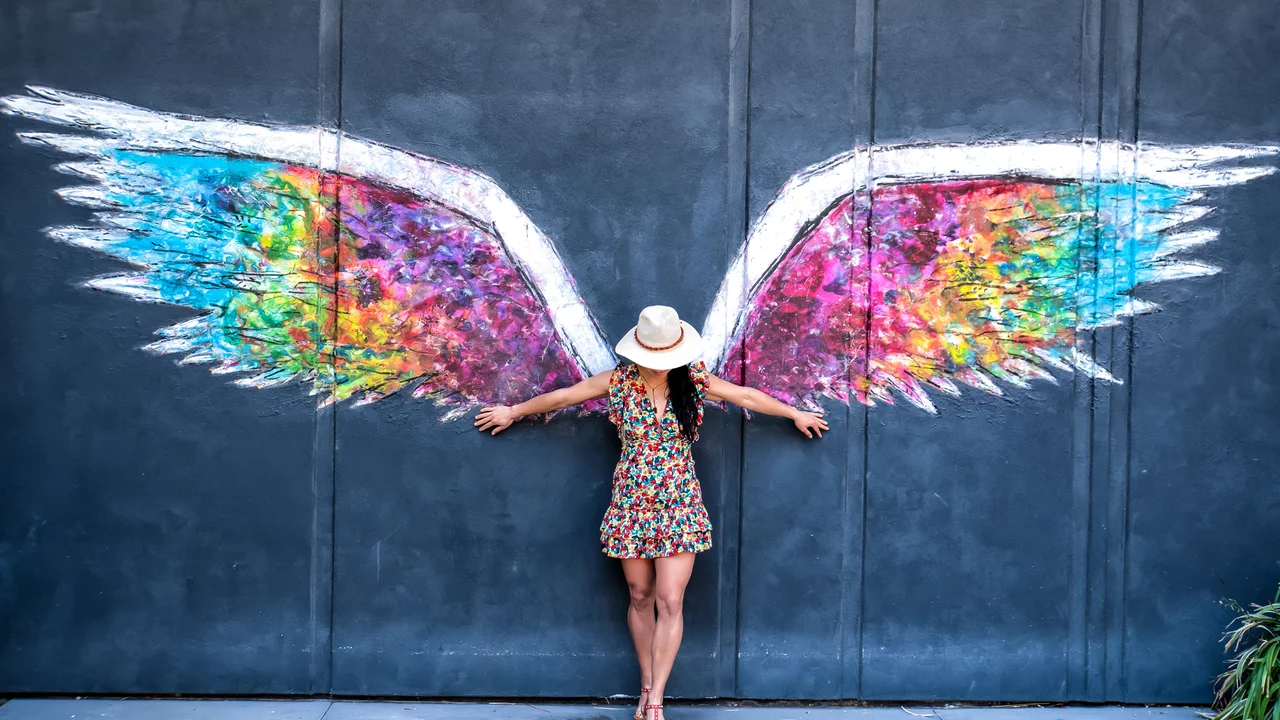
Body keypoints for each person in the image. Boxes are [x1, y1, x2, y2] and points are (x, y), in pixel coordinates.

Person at [474, 305, 827, 720]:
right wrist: (513, 412)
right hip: (630, 504)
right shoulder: (618, 381)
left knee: (670, 600)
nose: (658, 365)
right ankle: (645, 685)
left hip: (680, 504)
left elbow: (746, 396)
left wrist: (795, 413)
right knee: (640, 597)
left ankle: (657, 698)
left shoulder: (694, 380)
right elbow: (566, 396)